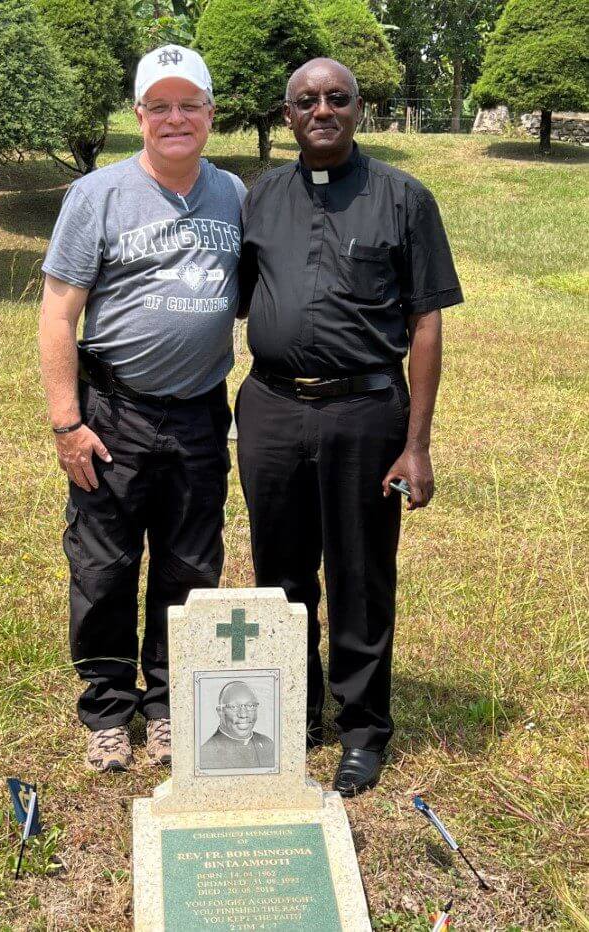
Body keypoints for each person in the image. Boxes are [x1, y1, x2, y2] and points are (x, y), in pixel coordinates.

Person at [236, 58, 463, 796]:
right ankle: (295, 711)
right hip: (270, 408)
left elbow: (425, 321)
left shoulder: (403, 197)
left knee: (361, 573)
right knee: (279, 568)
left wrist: (416, 443)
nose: (322, 110)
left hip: (366, 411)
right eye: (307, 100)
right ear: (286, 112)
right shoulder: (259, 196)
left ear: (360, 108)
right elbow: (237, 300)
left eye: (337, 98)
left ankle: (362, 730)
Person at [39, 45, 246, 773]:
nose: (174, 118)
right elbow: (59, 315)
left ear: (210, 114)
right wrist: (68, 423)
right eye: (158, 105)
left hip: (197, 413)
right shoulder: (96, 195)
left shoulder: (234, 196)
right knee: (102, 564)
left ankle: (166, 705)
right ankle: (105, 707)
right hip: (112, 411)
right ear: (138, 116)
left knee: (190, 565)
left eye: (188, 104)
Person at [200, 681, 275, 769]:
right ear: (220, 712)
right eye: (234, 707)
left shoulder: (267, 744)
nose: (243, 715)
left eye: (250, 706)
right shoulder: (206, 753)